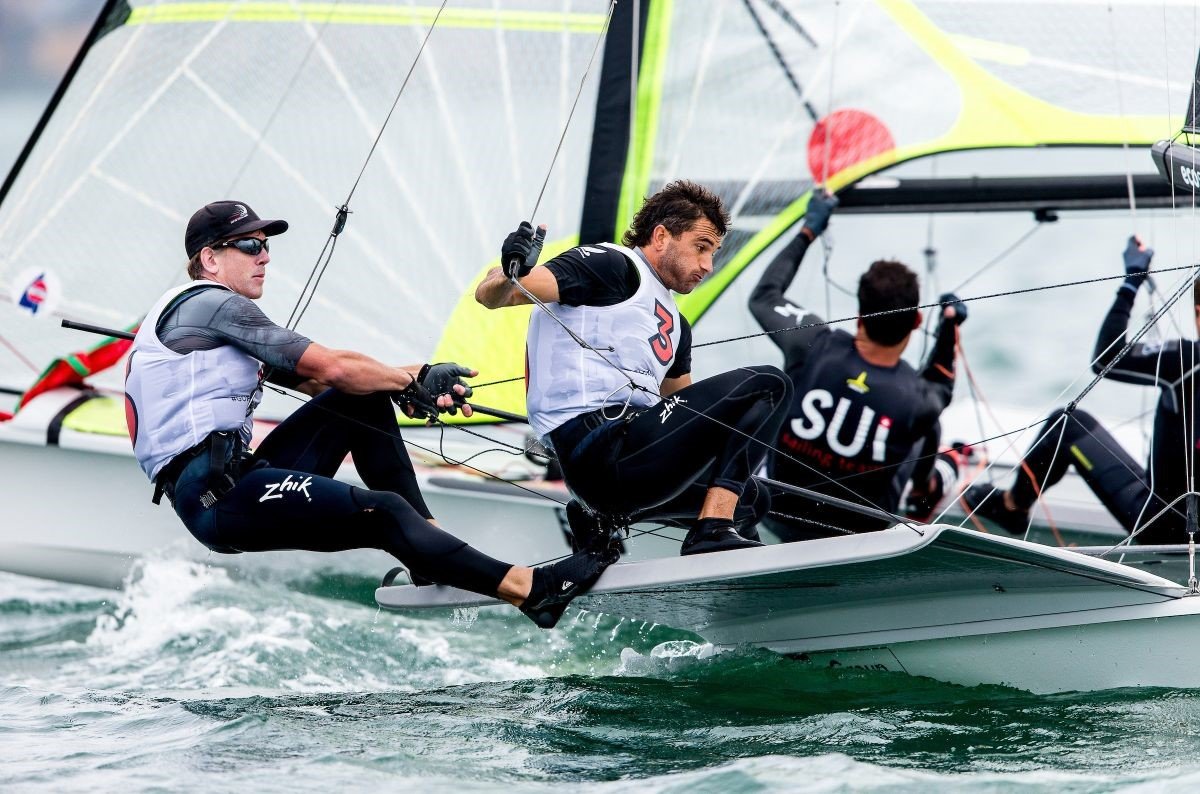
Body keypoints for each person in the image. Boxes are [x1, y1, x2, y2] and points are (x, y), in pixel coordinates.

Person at [124, 200, 614, 629]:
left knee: (359, 400)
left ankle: (429, 553)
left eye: (265, 244)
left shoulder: (211, 318)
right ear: (210, 258)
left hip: (238, 474)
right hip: (215, 499)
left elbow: (329, 384)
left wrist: (421, 376)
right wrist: (409, 382)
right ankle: (531, 591)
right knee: (383, 509)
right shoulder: (214, 306)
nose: (266, 256)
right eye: (250, 246)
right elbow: (335, 366)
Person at [475, 180, 792, 556]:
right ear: (661, 237)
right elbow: (496, 294)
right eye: (701, 247)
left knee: (754, 499)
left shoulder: (676, 325)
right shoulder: (612, 265)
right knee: (769, 384)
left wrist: (740, 452)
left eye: (714, 252)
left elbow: (690, 418)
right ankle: (712, 529)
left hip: (633, 464)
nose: (708, 265)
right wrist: (513, 270)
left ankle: (606, 522)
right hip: (595, 451)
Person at [747, 190, 967, 539]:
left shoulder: (813, 343)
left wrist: (809, 230)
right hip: (858, 540)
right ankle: (930, 485)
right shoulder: (919, 398)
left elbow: (765, 296)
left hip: (776, 516)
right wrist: (950, 326)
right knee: (928, 429)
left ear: (860, 316)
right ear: (917, 321)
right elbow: (941, 384)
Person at [962, 236, 1196, 544]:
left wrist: (1132, 282)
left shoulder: (1186, 360)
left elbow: (1105, 359)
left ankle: (1011, 507)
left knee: (1069, 424)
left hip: (1165, 527)